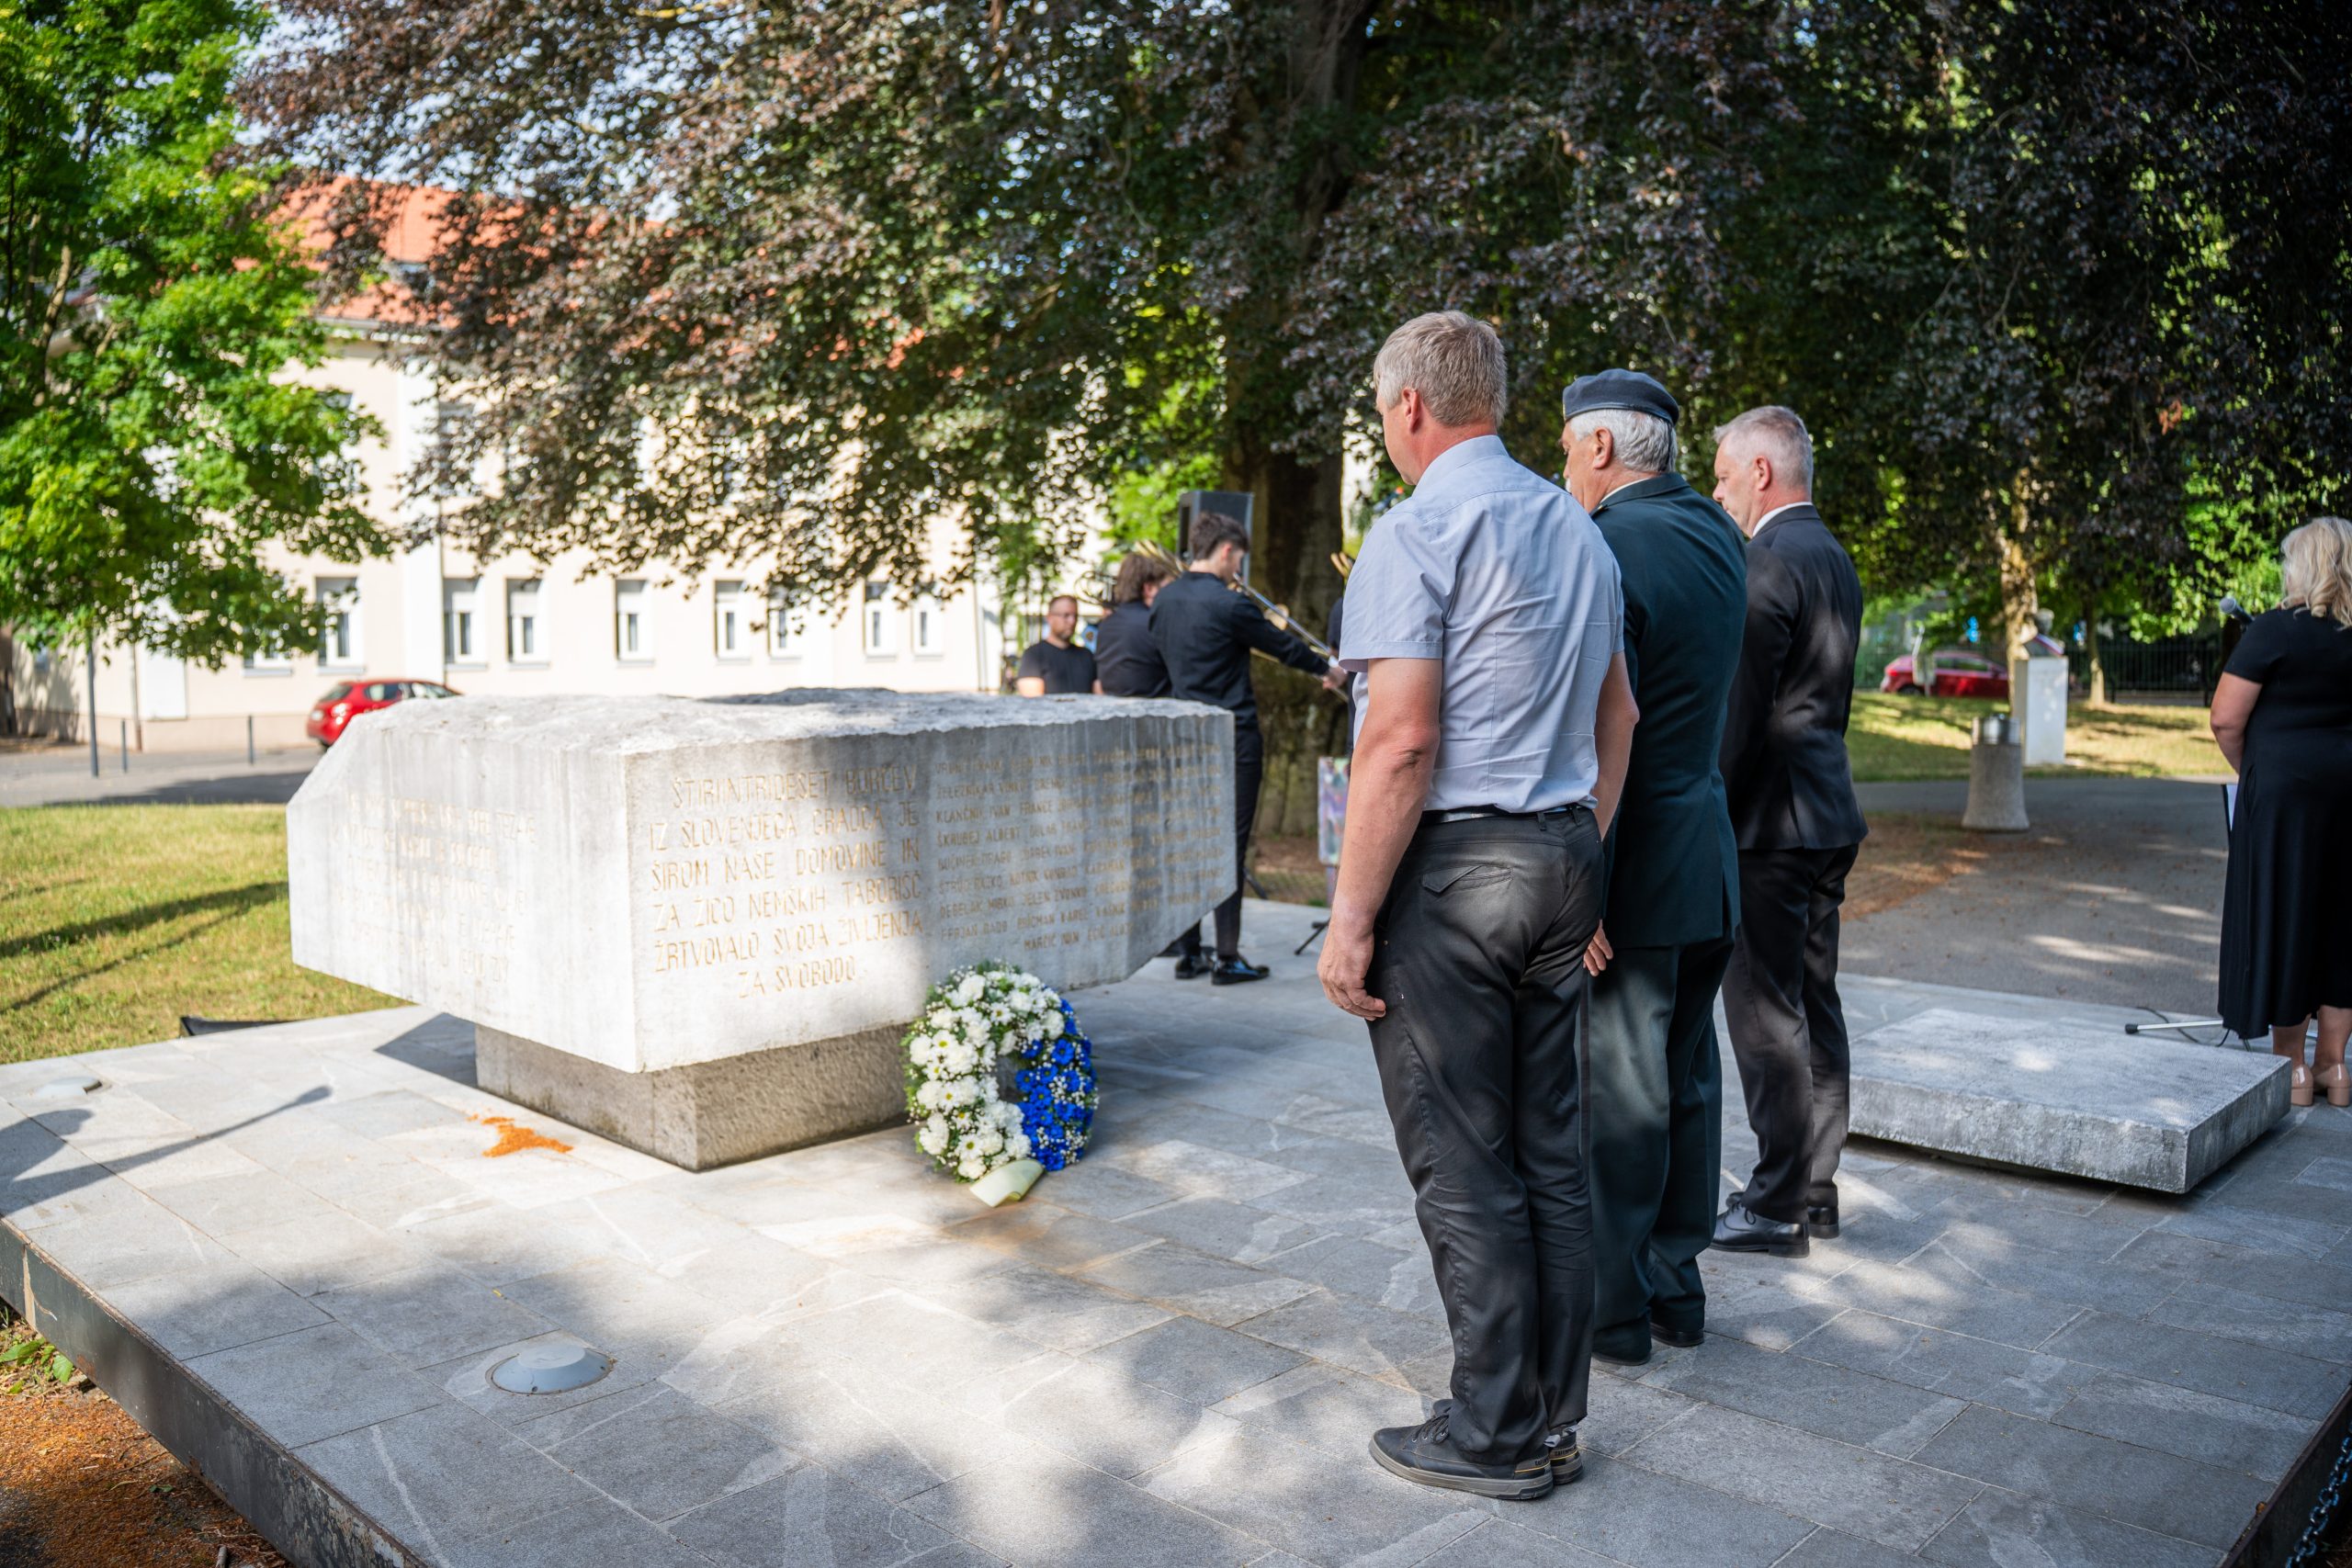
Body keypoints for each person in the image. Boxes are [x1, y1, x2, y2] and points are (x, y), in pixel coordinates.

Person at [1318, 310, 1637, 1501]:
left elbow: (1401, 739)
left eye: (1381, 410)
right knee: (1550, 1150)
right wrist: (1576, 843)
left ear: (1409, 405)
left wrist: (1351, 919)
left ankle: (1494, 1432)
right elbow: (1621, 717)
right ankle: (1550, 1416)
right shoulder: (1579, 529)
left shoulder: (1416, 531)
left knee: (1462, 1159)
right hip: (1561, 853)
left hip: (1456, 874)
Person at [1559, 369, 1746, 1364]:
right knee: (1687, 1082)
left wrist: (1586, 885)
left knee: (1622, 1098)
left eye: (1565, 449)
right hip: (1706, 853)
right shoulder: (1718, 530)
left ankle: (1616, 1315)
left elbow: (1610, 732)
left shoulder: (1605, 543)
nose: (1564, 469)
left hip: (1637, 864)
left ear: (1599, 447)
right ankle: (1678, 1288)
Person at [1709, 405, 1868, 1258]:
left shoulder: (1766, 559)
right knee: (1813, 1000)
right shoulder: (1832, 554)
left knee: (1767, 1011)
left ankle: (1774, 1204)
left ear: (1762, 472)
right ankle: (1813, 1190)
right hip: (1826, 809)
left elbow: (1742, 714)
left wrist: (1708, 806)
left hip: (1770, 822)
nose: (1718, 491)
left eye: (1724, 475)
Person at [1151, 510, 1335, 983]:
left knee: (1191, 842)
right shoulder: (1229, 604)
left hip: (1185, 737)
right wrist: (1328, 670)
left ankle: (1190, 952)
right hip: (1233, 737)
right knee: (1229, 845)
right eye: (1238, 562)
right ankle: (1227, 957)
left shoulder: (1164, 600)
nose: (1239, 571)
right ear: (1227, 550)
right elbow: (1281, 646)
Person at [2211, 516, 2352, 1103]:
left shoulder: (2273, 629)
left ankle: (2292, 1068)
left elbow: (2225, 718)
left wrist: (2255, 774)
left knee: (2287, 914)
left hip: (2285, 799)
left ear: (2304, 566)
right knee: (2342, 920)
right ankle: (2335, 1068)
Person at [1093, 553, 1175, 697]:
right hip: (1154, 707)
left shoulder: (1106, 625)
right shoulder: (1154, 623)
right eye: (1163, 589)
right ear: (1149, 589)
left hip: (1112, 706)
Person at [1014, 594, 1096, 695]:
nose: (1072, 621)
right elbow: (1033, 700)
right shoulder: (1034, 655)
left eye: (1075, 616)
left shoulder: (1087, 656)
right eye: (1066, 615)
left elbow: (1100, 697)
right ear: (1049, 617)